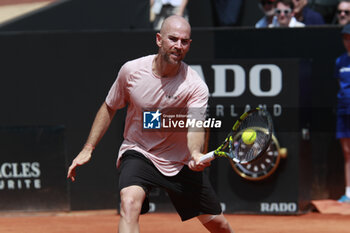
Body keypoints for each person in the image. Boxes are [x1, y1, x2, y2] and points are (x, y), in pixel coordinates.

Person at [67, 15, 234, 233]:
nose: (178, 46)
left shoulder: (195, 86)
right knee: (129, 203)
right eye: (173, 39)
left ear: (189, 45)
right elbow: (109, 107)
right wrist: (88, 148)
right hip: (139, 152)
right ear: (159, 39)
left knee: (219, 226)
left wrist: (194, 153)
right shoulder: (131, 71)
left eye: (184, 41)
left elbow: (195, 125)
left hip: (180, 161)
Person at [335, 23, 350, 204]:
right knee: (347, 152)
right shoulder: (339, 61)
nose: (348, 42)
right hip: (343, 111)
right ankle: (348, 192)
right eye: (346, 39)